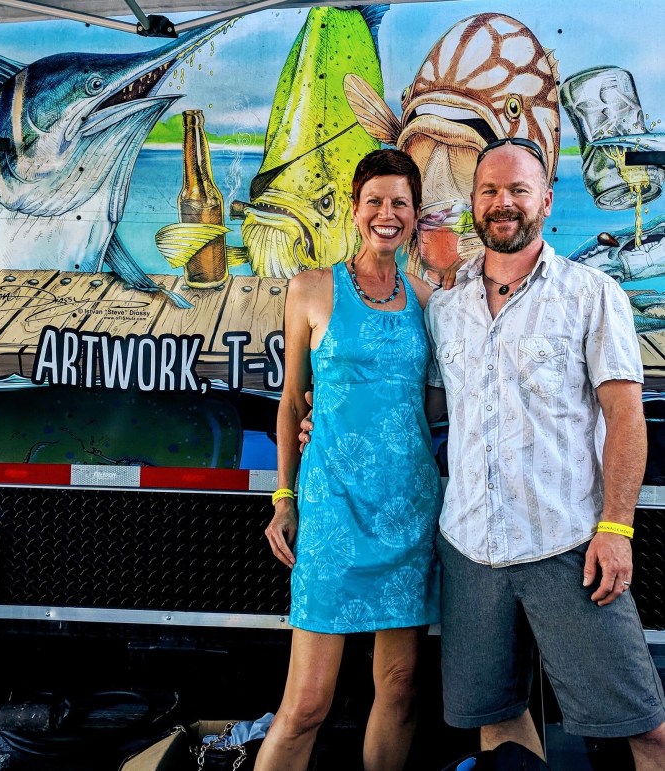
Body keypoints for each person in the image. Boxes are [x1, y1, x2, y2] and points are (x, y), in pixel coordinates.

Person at [423, 137, 665, 769]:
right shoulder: (445, 307)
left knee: (646, 728)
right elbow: (426, 407)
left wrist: (616, 528)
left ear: (547, 201)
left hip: (568, 546)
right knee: (500, 723)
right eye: (490, 190)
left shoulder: (591, 294)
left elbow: (626, 417)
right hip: (470, 548)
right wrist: (325, 416)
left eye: (518, 190)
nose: (503, 202)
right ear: (474, 202)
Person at [255, 149, 443, 771]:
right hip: (332, 509)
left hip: (408, 511)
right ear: (356, 209)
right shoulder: (311, 288)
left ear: (415, 214)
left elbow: (437, 401)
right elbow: (291, 402)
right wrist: (284, 497)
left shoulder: (428, 300)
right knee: (307, 703)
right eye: (375, 201)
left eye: (400, 203)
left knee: (401, 689)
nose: (387, 214)